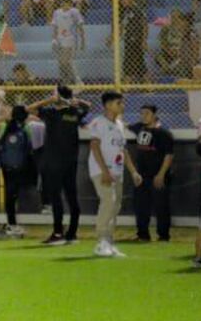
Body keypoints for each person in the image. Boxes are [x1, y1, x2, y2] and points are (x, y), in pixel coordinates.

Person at [29, 86, 90, 246]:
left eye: (54, 94)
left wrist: (50, 101)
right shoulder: (74, 113)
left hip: (54, 162)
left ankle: (58, 233)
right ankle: (72, 234)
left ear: (59, 97)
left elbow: (29, 109)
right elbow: (88, 106)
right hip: (70, 162)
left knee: (56, 198)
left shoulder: (52, 113)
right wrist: (76, 101)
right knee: (71, 196)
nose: (52, 96)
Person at [85, 92, 138, 259]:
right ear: (108, 105)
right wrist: (105, 171)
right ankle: (101, 241)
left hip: (117, 171)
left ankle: (109, 241)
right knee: (108, 202)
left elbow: (124, 150)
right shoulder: (98, 123)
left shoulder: (120, 124)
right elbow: (94, 146)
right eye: (119, 102)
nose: (122, 105)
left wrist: (133, 171)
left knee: (115, 206)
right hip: (102, 170)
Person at [129, 105, 174, 243]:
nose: (143, 116)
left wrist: (161, 174)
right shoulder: (139, 128)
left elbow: (169, 156)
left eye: (147, 113)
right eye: (142, 113)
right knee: (141, 206)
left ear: (155, 115)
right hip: (142, 175)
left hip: (157, 175)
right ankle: (143, 234)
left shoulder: (164, 133)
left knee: (161, 207)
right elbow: (125, 126)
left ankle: (163, 236)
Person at [0, 106, 39, 237]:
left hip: (6, 167)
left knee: (9, 196)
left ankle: (11, 223)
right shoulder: (27, 128)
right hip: (22, 167)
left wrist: (5, 117)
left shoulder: (4, 126)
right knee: (19, 194)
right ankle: (18, 224)